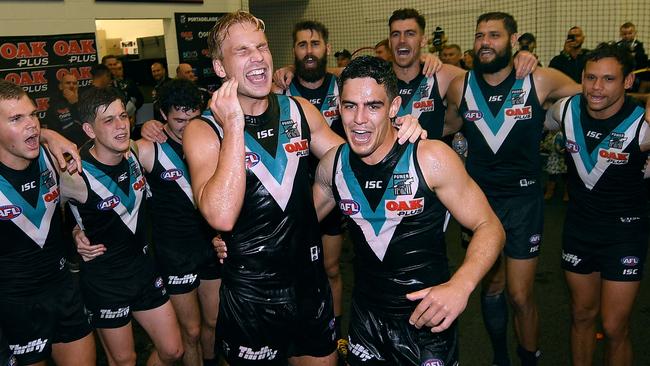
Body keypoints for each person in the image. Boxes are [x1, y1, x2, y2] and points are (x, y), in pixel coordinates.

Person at [181, 11, 424, 365]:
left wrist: (399, 128)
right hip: (253, 294)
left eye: (261, 47)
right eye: (242, 51)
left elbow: (354, 160)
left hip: (310, 284)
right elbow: (220, 214)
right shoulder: (204, 131)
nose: (258, 58)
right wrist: (234, 125)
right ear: (220, 67)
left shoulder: (300, 111)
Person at [311, 55, 505, 366]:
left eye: (373, 106)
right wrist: (230, 239)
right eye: (349, 106)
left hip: (426, 321)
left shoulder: (430, 158)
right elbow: (297, 224)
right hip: (366, 319)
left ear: (393, 106)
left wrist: (461, 284)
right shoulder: (332, 166)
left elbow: (489, 226)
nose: (359, 119)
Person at [444, 12, 581, 366]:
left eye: (494, 35)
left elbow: (592, 94)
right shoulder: (461, 85)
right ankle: (500, 358)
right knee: (491, 287)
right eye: (479, 36)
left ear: (513, 39)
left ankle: (529, 358)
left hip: (523, 202)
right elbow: (443, 120)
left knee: (520, 295)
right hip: (477, 202)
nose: (485, 42)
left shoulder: (539, 80)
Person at [546, 43, 650, 366]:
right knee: (581, 315)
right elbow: (535, 117)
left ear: (628, 81)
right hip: (579, 229)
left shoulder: (642, 125)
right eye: (590, 78)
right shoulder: (564, 110)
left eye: (608, 79)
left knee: (615, 325)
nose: (597, 88)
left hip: (625, 234)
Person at [65, 87, 183, 366]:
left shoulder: (133, 151)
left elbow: (178, 129)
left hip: (143, 270)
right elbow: (43, 210)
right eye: (108, 121)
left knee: (173, 351)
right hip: (106, 281)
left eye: (123, 116)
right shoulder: (73, 174)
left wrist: (155, 125)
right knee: (125, 360)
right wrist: (73, 234)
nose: (121, 126)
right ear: (89, 130)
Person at [0, 79, 95, 366]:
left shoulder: (52, 158)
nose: (32, 124)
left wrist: (77, 228)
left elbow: (77, 201)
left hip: (63, 288)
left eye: (33, 114)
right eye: (16, 118)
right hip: (15, 304)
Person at [45, 72, 89, 146]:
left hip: (85, 145)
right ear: (60, 86)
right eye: (68, 83)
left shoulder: (85, 102)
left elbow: (87, 124)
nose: (72, 86)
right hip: (65, 147)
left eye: (74, 83)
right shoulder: (54, 106)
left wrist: (75, 103)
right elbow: (53, 132)